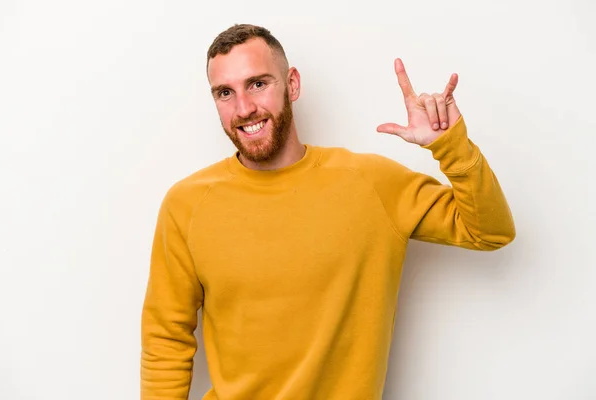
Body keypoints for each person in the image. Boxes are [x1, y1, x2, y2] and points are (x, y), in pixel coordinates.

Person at [140, 24, 515, 400]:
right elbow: (166, 341)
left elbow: (490, 231)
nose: (244, 108)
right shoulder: (186, 204)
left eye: (258, 84)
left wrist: (451, 147)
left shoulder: (372, 184)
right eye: (225, 93)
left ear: (293, 84)